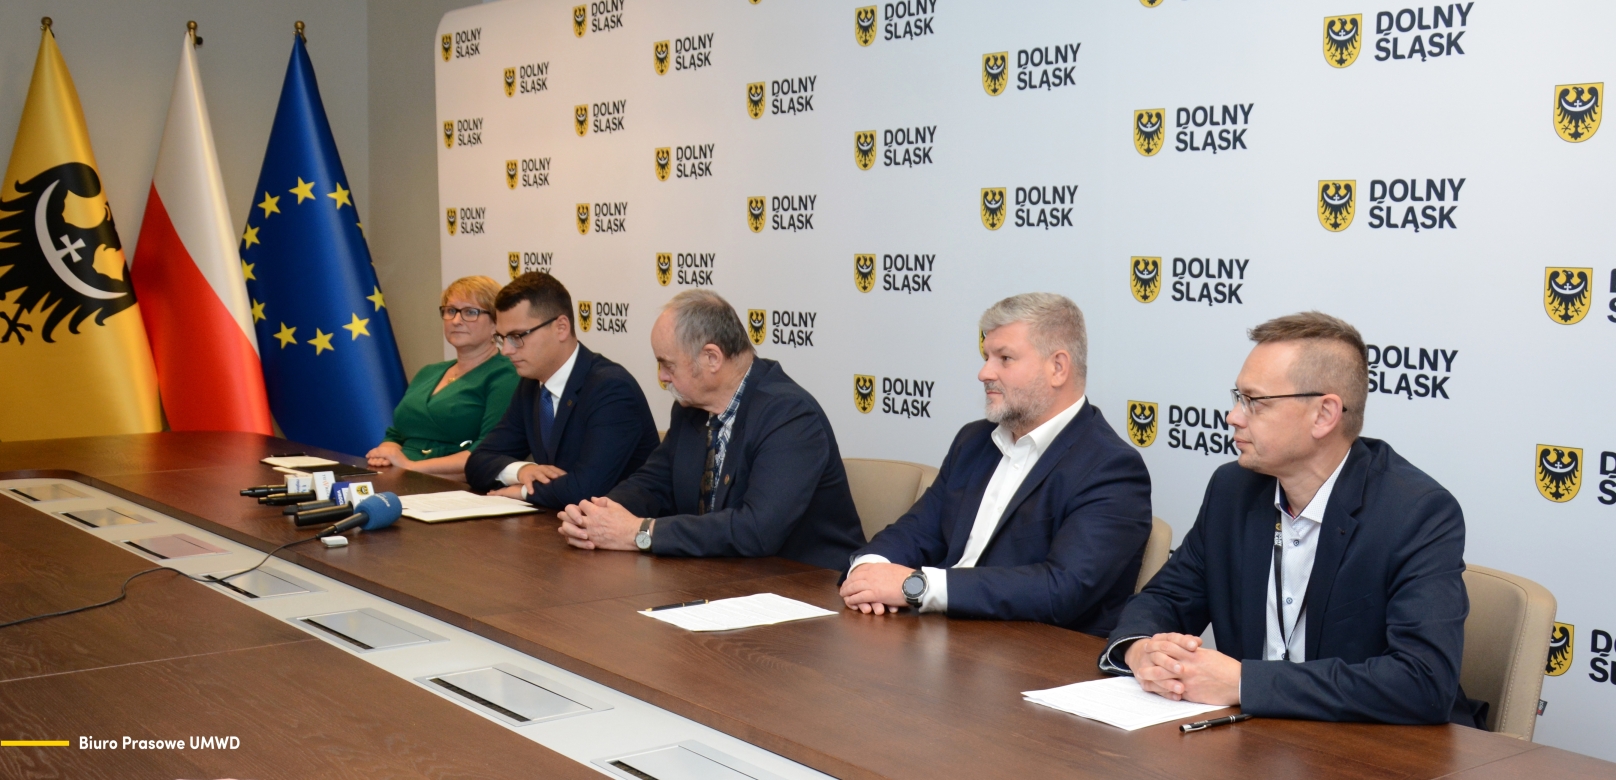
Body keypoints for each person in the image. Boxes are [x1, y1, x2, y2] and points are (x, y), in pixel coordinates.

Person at [1101, 311, 1482, 726]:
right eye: (1238, 397)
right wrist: (1140, 650)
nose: (1233, 417)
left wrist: (1244, 683)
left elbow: (1423, 682)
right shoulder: (1233, 490)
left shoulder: (1416, 512)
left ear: (1324, 415)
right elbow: (1165, 599)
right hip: (1256, 741)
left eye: (1255, 402)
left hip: (1373, 747)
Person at [839, 293, 1152, 636]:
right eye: (987, 357)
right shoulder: (974, 441)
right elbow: (918, 530)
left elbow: (1062, 589)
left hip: (1033, 653)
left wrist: (918, 587)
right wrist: (869, 570)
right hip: (940, 638)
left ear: (1058, 368)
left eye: (1005, 358)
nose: (984, 372)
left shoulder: (1112, 468)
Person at [556, 289, 865, 570]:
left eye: (668, 365)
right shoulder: (691, 408)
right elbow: (652, 484)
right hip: (722, 576)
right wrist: (596, 516)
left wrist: (640, 532)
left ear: (712, 358)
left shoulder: (789, 415)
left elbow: (757, 530)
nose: (662, 377)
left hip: (808, 586)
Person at [466, 273, 658, 508]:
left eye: (517, 337)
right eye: (502, 338)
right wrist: (521, 471)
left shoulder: (611, 389)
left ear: (561, 327)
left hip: (622, 525)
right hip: (559, 520)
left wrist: (524, 492)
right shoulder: (531, 385)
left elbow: (587, 488)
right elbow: (477, 462)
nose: (506, 350)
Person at [366, 276, 518, 481]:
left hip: (450, 485)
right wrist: (385, 453)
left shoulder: (505, 374)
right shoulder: (428, 372)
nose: (456, 320)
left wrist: (411, 466)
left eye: (470, 312)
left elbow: (489, 453)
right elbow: (396, 434)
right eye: (451, 311)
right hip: (396, 475)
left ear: (496, 323)